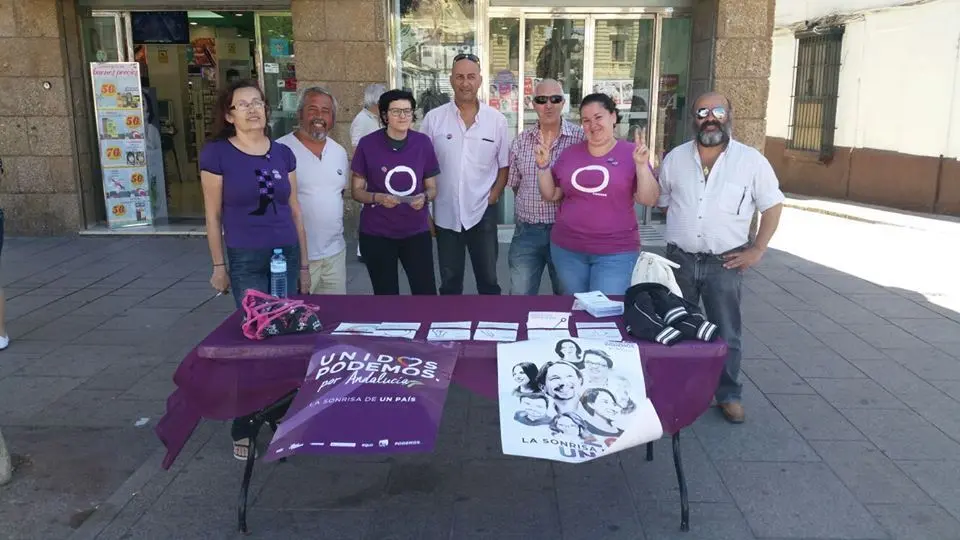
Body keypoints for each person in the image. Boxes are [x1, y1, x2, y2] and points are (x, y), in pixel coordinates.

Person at [199, 80, 310, 460]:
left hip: (285, 254)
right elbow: (212, 216)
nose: (252, 109)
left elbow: (295, 210)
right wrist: (219, 265)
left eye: (257, 102)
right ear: (229, 115)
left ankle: (278, 412)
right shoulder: (218, 154)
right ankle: (244, 421)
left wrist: (304, 264)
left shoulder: (282, 154)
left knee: (284, 338)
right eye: (242, 104)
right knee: (253, 339)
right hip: (246, 256)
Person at [657, 92, 785, 424]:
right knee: (678, 327)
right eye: (702, 112)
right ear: (694, 118)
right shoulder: (675, 158)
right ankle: (679, 388)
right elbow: (664, 201)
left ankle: (728, 394)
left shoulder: (751, 161)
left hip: (725, 263)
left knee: (727, 332)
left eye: (717, 111)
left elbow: (772, 206)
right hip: (680, 260)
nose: (710, 118)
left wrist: (758, 248)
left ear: (730, 115)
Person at [537, 93, 660, 296]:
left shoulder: (633, 153)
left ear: (613, 116)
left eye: (598, 117)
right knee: (574, 307)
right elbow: (551, 194)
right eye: (586, 120)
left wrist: (641, 165)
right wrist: (543, 166)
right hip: (567, 250)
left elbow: (649, 199)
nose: (592, 125)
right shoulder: (570, 154)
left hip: (616, 252)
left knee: (605, 310)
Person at [420, 53, 510, 295]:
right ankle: (450, 320)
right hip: (446, 213)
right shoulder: (433, 119)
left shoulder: (497, 121)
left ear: (480, 80)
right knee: (450, 283)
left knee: (489, 281)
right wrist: (426, 212)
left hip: (483, 212)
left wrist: (493, 196)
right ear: (451, 80)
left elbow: (504, 166)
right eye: (459, 77)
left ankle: (490, 320)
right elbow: (421, 167)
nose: (465, 83)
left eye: (471, 76)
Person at [351, 89, 439, 295]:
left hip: (416, 232)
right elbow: (356, 191)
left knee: (426, 294)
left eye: (407, 111)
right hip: (377, 233)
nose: (403, 116)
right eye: (396, 111)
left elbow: (433, 188)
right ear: (384, 115)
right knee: (386, 296)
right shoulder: (367, 144)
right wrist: (377, 197)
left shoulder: (422, 143)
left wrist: (424, 197)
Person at [506, 79, 584, 295]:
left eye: (555, 99)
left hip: (566, 232)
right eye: (541, 100)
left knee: (567, 298)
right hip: (527, 232)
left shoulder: (580, 139)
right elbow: (516, 184)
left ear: (563, 103)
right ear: (533, 104)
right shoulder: (521, 141)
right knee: (520, 297)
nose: (548, 105)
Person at [276, 87, 350, 294]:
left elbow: (338, 194)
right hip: (296, 256)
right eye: (312, 109)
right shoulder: (280, 151)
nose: (319, 116)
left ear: (333, 118)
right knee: (297, 311)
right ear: (300, 113)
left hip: (335, 254)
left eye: (326, 111)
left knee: (336, 312)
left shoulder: (339, 152)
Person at [350, 83, 387, 262]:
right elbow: (356, 148)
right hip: (368, 172)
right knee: (367, 210)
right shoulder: (362, 120)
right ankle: (362, 250)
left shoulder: (377, 118)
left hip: (381, 171)